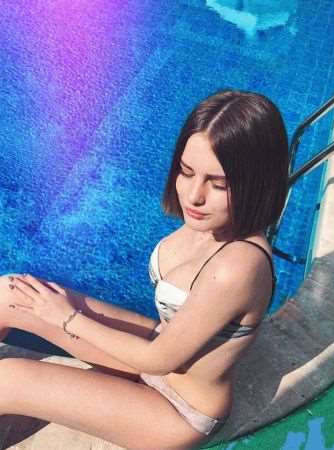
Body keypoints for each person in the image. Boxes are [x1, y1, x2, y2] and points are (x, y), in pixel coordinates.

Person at [0, 89, 288, 450]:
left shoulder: (238, 267)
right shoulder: (210, 224)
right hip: (155, 346)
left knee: (8, 381)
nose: (194, 196)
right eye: (186, 172)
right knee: (9, 293)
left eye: (218, 184)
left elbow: (159, 359)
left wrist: (66, 318)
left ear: (256, 183)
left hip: (176, 407)